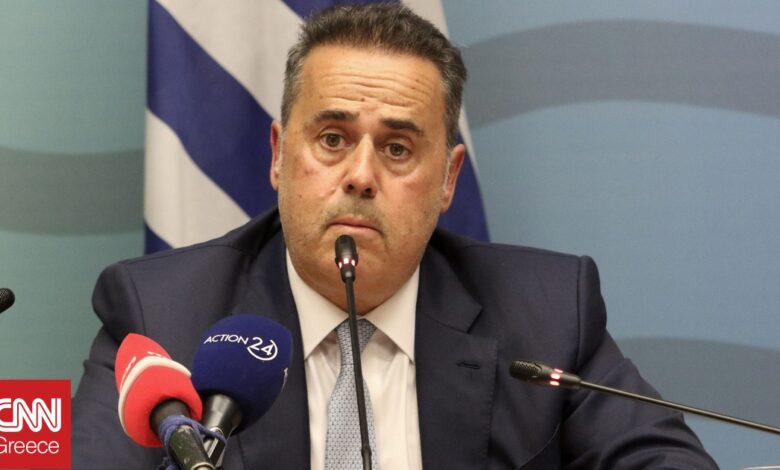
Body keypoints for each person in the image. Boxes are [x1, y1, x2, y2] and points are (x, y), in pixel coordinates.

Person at [73, 4, 718, 469]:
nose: (360, 176)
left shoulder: (548, 312)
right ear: (278, 155)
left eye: (398, 148)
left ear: (448, 179)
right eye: (332, 139)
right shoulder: (164, 312)